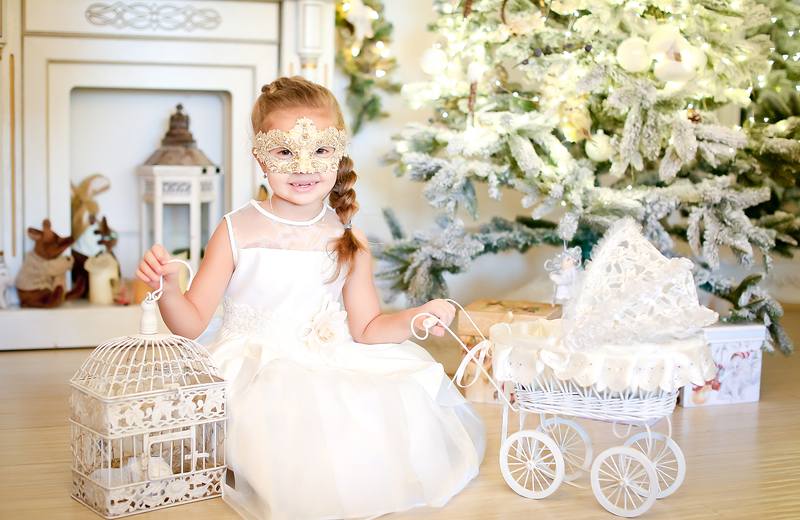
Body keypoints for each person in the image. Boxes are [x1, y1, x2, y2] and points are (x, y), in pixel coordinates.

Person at [136, 76, 486, 520]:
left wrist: (416, 316)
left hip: (328, 358)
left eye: (320, 150)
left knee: (376, 404)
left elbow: (368, 328)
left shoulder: (349, 238)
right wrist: (167, 289)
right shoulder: (235, 230)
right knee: (283, 413)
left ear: (338, 154)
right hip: (252, 369)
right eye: (284, 151)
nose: (303, 166)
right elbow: (190, 324)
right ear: (259, 156)